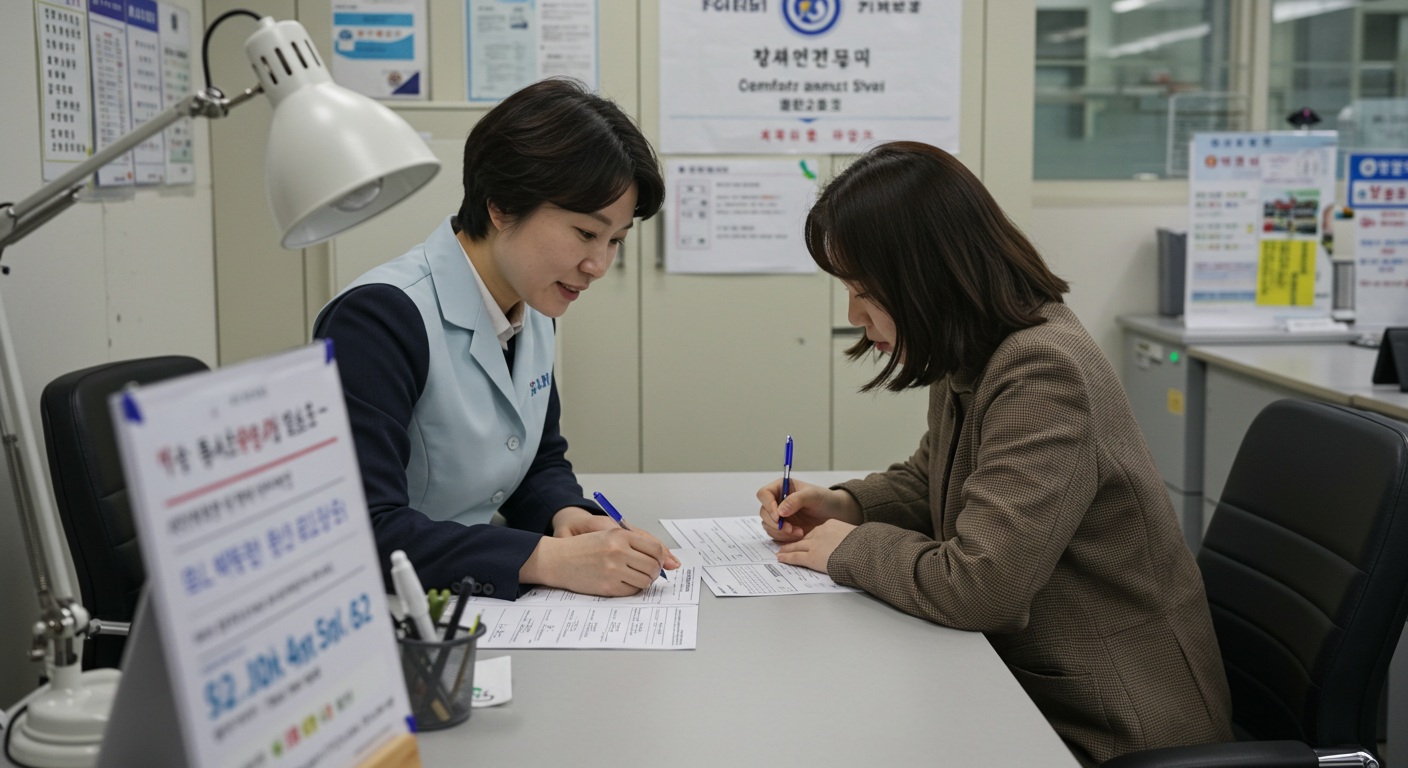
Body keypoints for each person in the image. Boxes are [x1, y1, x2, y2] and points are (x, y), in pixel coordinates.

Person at [756, 142, 1232, 766]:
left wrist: (849, 547)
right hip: (1030, 686)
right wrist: (844, 504)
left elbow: (981, 588)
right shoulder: (981, 349)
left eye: (865, 291)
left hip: (1113, 722)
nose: (854, 315)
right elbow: (937, 478)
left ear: (927, 277)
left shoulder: (1042, 368)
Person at [316, 78, 679, 598]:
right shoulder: (378, 319)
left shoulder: (531, 303)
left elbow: (536, 457)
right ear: (502, 205)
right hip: (403, 615)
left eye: (615, 241)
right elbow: (363, 529)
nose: (597, 265)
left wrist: (565, 512)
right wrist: (546, 558)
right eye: (585, 233)